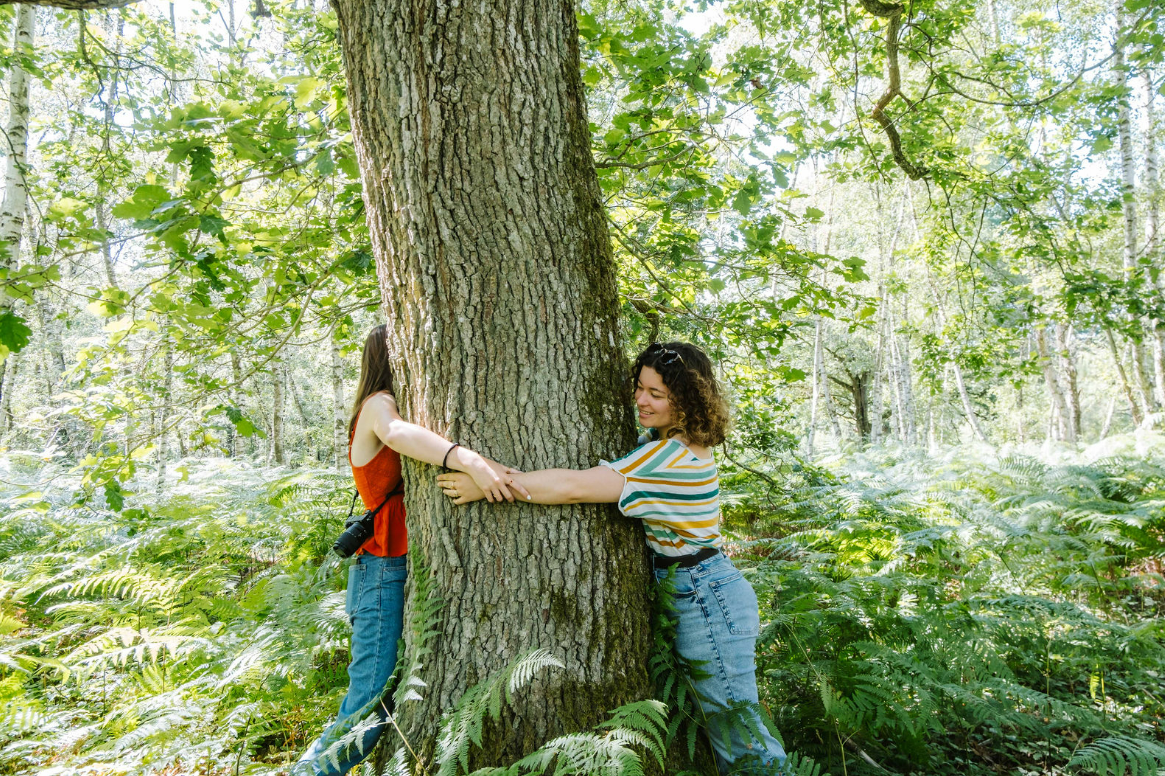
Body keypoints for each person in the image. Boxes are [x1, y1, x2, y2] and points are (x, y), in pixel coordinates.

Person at [437, 341, 787, 775]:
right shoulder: (666, 442)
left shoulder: (670, 457)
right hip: (700, 590)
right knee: (726, 734)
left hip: (706, 599)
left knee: (742, 740)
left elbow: (574, 487)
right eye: (639, 387)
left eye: (656, 394)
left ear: (686, 399)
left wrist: (490, 483)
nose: (641, 400)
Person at [296, 325, 526, 776]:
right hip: (381, 571)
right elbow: (396, 433)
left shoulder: (391, 405)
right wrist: (468, 458)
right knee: (366, 714)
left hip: (395, 568)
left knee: (380, 704)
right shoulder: (377, 405)